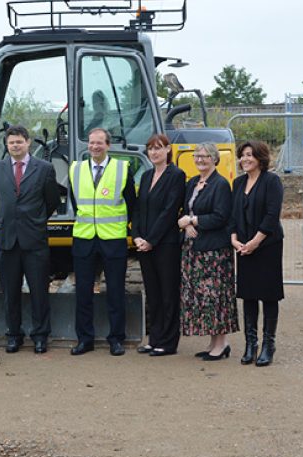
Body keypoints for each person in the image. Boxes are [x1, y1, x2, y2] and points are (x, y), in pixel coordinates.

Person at [0, 125, 60, 354]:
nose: (15, 146)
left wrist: (35, 220)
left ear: (28, 142)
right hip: (7, 241)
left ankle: (40, 336)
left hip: (34, 240)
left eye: (19, 141)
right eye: (11, 143)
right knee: (10, 292)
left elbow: (52, 201)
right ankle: (13, 335)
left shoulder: (45, 169)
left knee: (39, 291)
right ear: (6, 145)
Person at [69, 128, 136, 356]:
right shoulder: (76, 169)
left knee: (116, 292)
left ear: (108, 145)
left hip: (113, 239)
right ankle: (84, 339)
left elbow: (132, 203)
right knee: (83, 293)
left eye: (99, 143)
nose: (94, 147)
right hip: (85, 238)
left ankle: (116, 339)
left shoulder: (121, 169)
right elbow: (75, 200)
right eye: (91, 143)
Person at [177, 143, 238, 361]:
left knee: (215, 297)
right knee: (202, 298)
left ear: (214, 158)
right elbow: (186, 211)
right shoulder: (193, 182)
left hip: (214, 252)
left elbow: (221, 216)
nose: (200, 160)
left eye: (204, 156)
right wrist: (187, 223)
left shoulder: (220, 184)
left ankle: (221, 344)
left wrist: (194, 220)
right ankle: (214, 342)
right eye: (196, 156)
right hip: (195, 250)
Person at [229, 140, 284, 367]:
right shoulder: (238, 182)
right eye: (242, 155)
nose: (245, 159)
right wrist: (234, 239)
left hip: (267, 246)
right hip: (243, 247)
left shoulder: (272, 181)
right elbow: (233, 214)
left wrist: (255, 242)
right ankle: (250, 344)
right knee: (249, 295)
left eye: (250, 155)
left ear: (260, 157)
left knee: (269, 295)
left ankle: (267, 345)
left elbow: (272, 215)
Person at [132, 134, 185, 357]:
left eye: (159, 148)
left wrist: (151, 240)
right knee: (152, 294)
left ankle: (168, 342)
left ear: (168, 150)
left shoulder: (176, 175)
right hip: (144, 245)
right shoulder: (145, 176)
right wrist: (136, 236)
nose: (154, 152)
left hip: (165, 245)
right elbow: (138, 208)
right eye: (151, 149)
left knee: (168, 293)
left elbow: (170, 211)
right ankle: (154, 339)